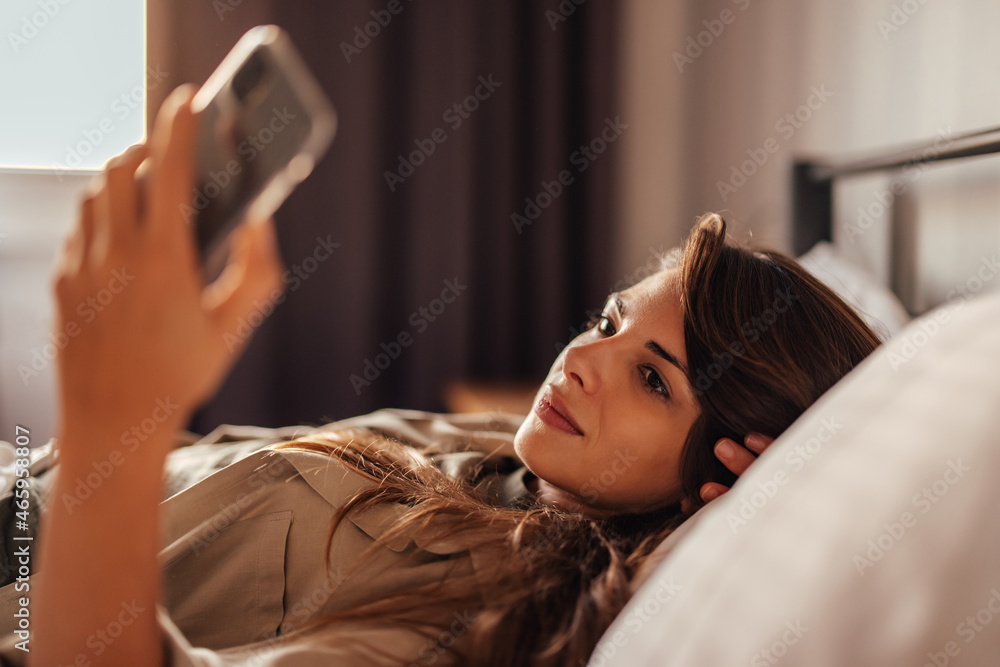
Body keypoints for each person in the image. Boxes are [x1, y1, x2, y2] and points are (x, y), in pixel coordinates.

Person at [12, 87, 880, 666]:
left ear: (717, 473)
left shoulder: (489, 620)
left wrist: (112, 411)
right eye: (610, 323)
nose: (581, 360)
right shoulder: (514, 462)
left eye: (653, 380)